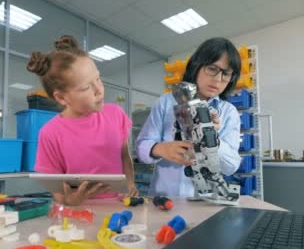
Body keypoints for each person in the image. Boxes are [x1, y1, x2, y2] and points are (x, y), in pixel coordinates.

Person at [27, 35, 138, 206]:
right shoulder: (50, 133)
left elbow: (124, 156)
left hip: (120, 205)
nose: (99, 90)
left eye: (98, 78)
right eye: (86, 87)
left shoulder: (115, 114)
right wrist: (71, 200)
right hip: (81, 212)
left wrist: (130, 184)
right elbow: (57, 191)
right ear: (62, 97)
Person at [135, 37, 242, 197]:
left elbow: (231, 166)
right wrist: (159, 149)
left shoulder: (228, 112)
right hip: (165, 196)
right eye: (212, 69)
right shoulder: (166, 102)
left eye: (226, 74)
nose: (218, 79)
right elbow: (141, 147)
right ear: (197, 66)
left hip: (207, 201)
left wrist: (212, 139)